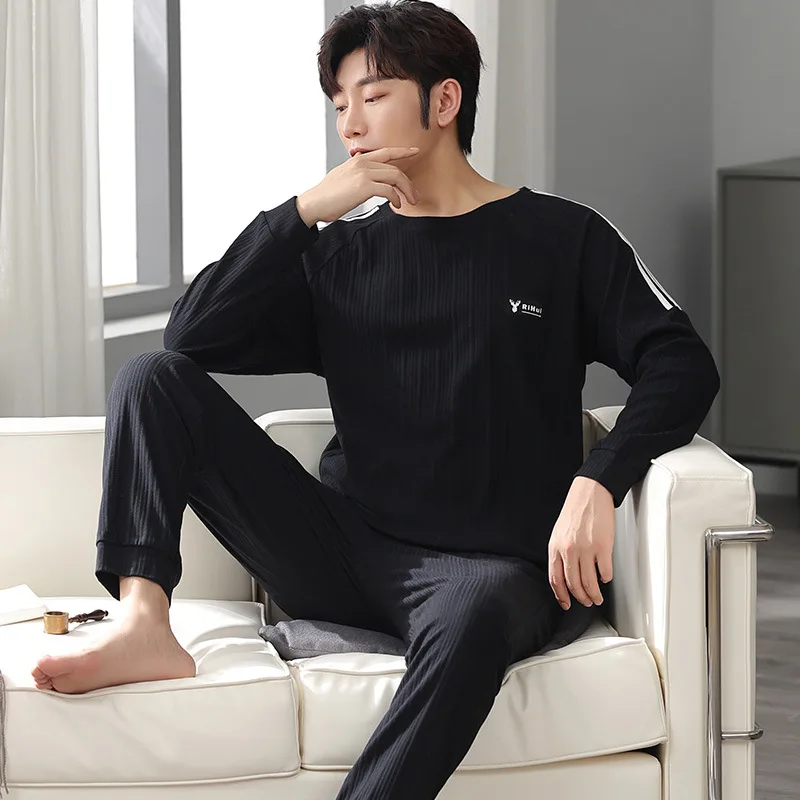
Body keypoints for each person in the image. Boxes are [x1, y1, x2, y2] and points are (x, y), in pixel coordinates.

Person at [32, 1, 720, 798]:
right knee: (150, 378)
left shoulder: (562, 238)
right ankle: (143, 623)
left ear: (445, 100)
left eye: (374, 95)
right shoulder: (339, 255)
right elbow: (190, 336)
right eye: (339, 105)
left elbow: (682, 363)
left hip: (489, 571)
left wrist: (599, 478)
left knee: (476, 604)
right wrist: (301, 214)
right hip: (343, 552)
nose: (351, 124)